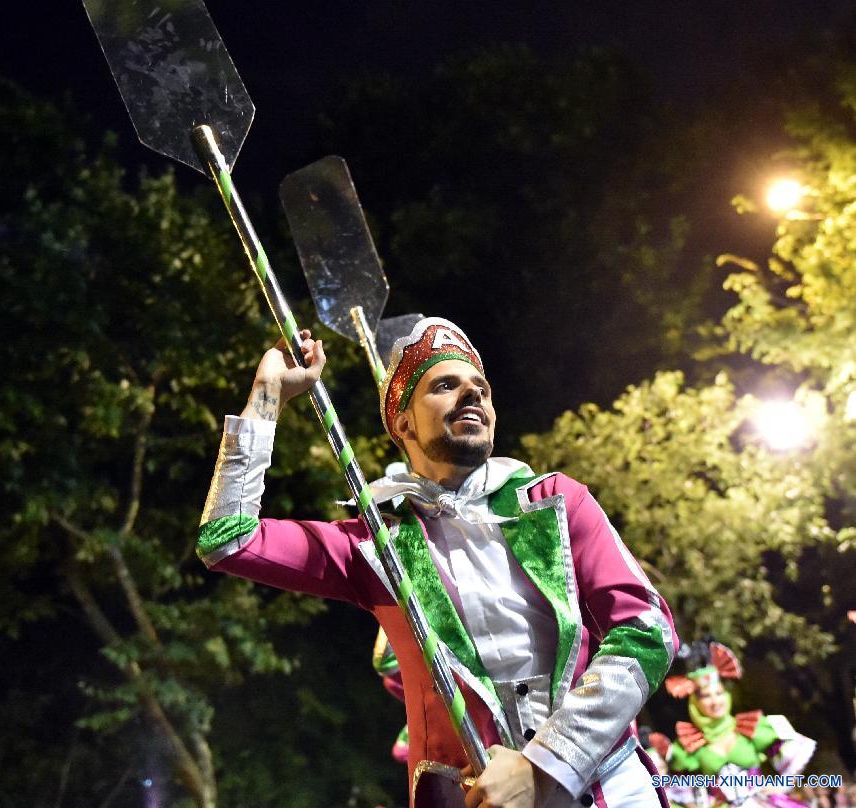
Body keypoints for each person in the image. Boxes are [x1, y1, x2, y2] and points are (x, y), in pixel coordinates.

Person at [198, 318, 678, 807]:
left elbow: (647, 631)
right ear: (402, 422)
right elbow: (227, 538)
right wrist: (268, 394)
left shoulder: (557, 501)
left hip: (611, 789)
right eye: (446, 385)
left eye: (481, 389)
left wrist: (545, 764)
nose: (471, 396)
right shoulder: (376, 546)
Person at [650, 641, 816, 807]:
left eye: (719, 693)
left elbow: (792, 755)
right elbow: (682, 792)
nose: (715, 701)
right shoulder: (689, 745)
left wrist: (780, 786)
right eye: (707, 696)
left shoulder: (750, 728)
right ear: (695, 703)